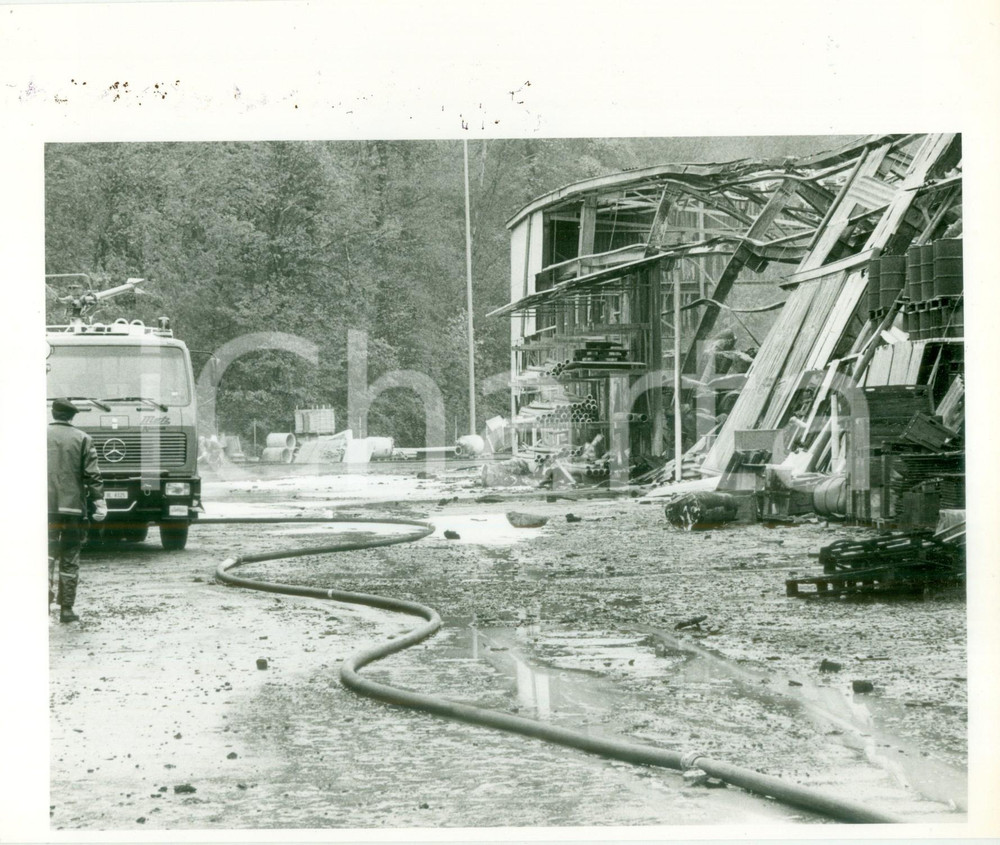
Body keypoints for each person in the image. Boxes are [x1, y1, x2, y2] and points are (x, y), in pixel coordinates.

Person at [48, 398, 106, 623]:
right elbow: (93, 476)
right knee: (70, 557)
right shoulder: (83, 439)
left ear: (53, 413)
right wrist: (99, 503)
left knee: (44, 557)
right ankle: (66, 609)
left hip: (43, 509)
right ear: (72, 416)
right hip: (72, 510)